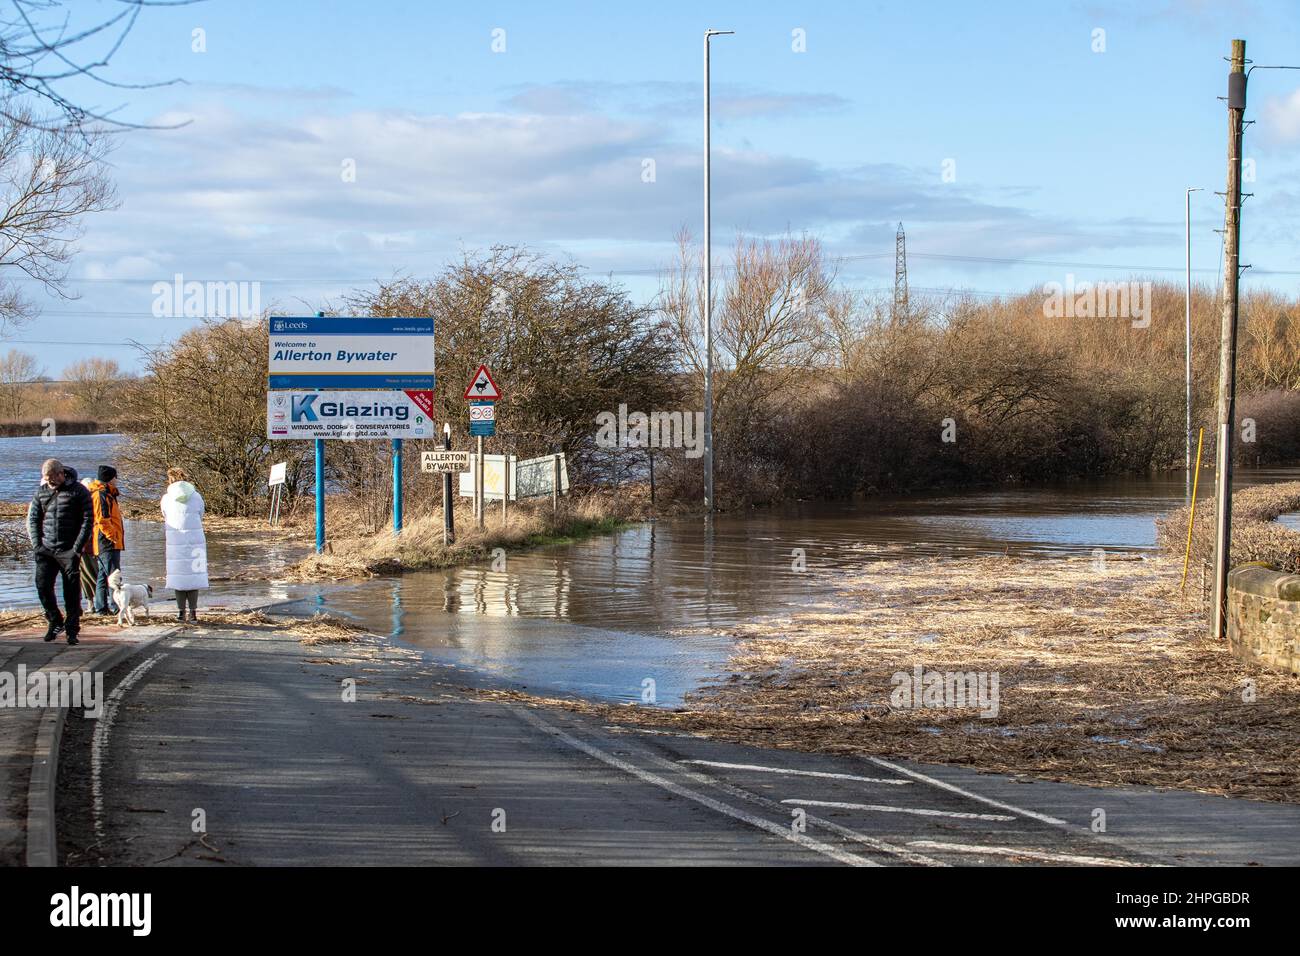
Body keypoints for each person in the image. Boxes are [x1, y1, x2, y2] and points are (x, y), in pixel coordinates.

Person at [27, 458, 93, 644]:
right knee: (42, 586)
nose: (49, 482)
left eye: (51, 478)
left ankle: (72, 630)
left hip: (69, 550)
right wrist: (37, 545)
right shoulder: (41, 492)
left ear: (60, 473)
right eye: (45, 478)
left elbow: (88, 520)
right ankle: (55, 620)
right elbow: (34, 519)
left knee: (71, 592)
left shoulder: (79, 491)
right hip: (46, 550)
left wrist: (77, 549)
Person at [161, 467, 208, 622]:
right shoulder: (196, 496)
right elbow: (201, 514)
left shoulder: (167, 498)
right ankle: (193, 612)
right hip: (195, 540)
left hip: (175, 541)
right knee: (193, 577)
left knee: (178, 578)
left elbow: (165, 515)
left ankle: (181, 612)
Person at [86, 465, 124, 615]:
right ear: (109, 478)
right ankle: (115, 606)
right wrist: (112, 536)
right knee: (113, 574)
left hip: (106, 540)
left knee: (103, 574)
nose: (117, 479)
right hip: (107, 541)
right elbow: (102, 519)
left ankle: (101, 607)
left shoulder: (107, 493)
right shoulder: (101, 494)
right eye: (115, 477)